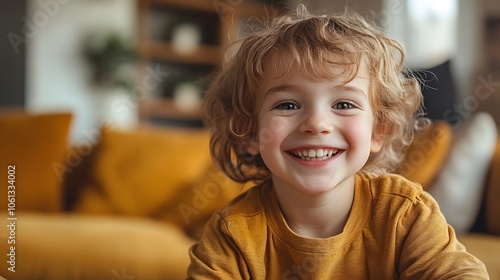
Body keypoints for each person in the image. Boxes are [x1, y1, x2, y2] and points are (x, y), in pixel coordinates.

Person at [187, 5, 489, 279]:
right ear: (250, 132)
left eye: (344, 104)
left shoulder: (405, 214)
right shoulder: (233, 234)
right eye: (288, 105)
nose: (317, 124)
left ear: (378, 130)